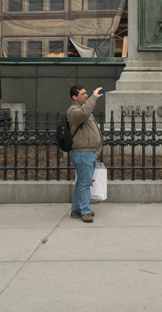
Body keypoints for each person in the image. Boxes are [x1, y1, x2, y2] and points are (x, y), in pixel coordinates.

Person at [67, 84, 103, 223]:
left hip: (88, 151)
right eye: (83, 94)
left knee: (82, 182)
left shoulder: (82, 109)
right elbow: (83, 114)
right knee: (84, 183)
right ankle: (85, 211)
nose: (86, 95)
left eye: (86, 93)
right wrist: (94, 98)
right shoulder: (73, 111)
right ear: (74, 97)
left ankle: (76, 209)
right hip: (83, 152)